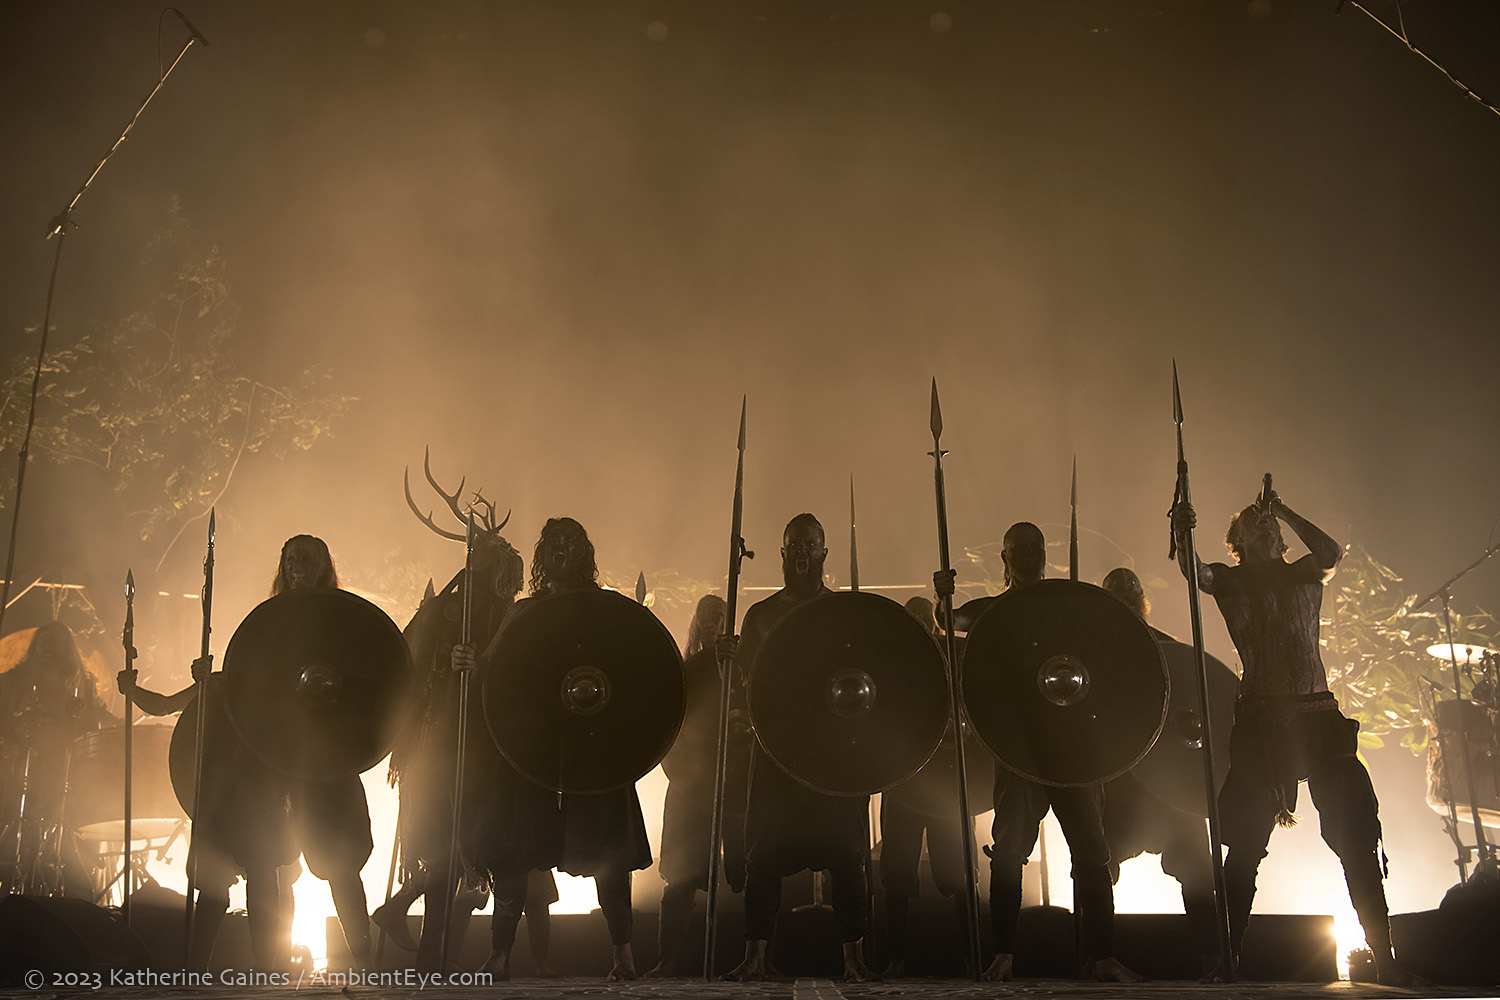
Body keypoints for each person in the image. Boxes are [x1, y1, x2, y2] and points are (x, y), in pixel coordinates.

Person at [1172, 487, 1422, 986]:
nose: (1265, 528)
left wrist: (1282, 507)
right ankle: (1230, 956)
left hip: (1317, 717)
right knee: (1243, 847)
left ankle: (1385, 955)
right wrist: (1183, 531)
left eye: (1271, 526)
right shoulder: (1230, 582)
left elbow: (1331, 553)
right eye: (1253, 525)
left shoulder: (1305, 573)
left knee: (1355, 837)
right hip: (1262, 721)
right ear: (1237, 540)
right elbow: (1195, 572)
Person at [123, 535, 374, 970]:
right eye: (290, 560)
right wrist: (175, 682)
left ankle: (366, 961)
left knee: (338, 860)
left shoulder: (340, 624)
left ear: (323, 566)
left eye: (307, 560)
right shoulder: (266, 629)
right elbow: (183, 699)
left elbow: (366, 682)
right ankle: (250, 967)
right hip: (263, 761)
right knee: (254, 861)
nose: (297, 567)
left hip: (320, 758)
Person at [938, 521, 1141, 983]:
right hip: (1020, 752)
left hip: (1071, 750)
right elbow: (953, 622)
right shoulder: (996, 610)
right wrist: (943, 599)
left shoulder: (1065, 604)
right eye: (1019, 551)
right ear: (1005, 560)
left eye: (1035, 549)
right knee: (1009, 853)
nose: (1028, 557)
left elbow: (1110, 629)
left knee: (1092, 851)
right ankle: (1004, 954)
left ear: (1043, 554)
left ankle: (1103, 954)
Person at [452, 517, 649, 981]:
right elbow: (493, 671)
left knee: (609, 856)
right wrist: (469, 663)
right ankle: (499, 954)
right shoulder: (523, 613)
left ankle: (624, 956)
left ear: (583, 553)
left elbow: (637, 671)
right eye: (551, 544)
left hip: (592, 749)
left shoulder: (606, 610)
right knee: (514, 853)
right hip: (533, 750)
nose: (559, 550)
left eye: (569, 543)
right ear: (542, 556)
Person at [375, 530, 562, 974]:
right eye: (506, 571)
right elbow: (410, 660)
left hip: (488, 747)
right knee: (453, 849)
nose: (513, 581)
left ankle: (427, 943)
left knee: (470, 853)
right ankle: (429, 957)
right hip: (446, 745)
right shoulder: (449, 610)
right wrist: (450, 663)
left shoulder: (505, 612)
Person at [721, 513, 877, 983]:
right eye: (795, 545)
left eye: (812, 544)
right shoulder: (762, 615)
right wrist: (727, 661)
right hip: (777, 752)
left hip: (833, 753)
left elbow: (867, 674)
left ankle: (854, 959)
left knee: (849, 859)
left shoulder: (843, 612)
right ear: (784, 553)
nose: (804, 552)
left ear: (824, 553)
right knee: (763, 857)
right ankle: (755, 956)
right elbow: (745, 686)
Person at [1099, 567, 1220, 975]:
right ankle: (1096, 955)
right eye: (1116, 597)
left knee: (1199, 873)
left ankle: (1212, 958)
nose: (1125, 603)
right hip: (1121, 780)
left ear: (1140, 600)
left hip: (1170, 781)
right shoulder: (1094, 655)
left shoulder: (1170, 654)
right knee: (1097, 864)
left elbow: (1193, 710)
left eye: (1129, 595)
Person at [646, 593, 751, 977]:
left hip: (735, 780)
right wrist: (680, 770)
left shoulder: (742, 666)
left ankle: (756, 956)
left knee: (749, 869)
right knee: (682, 876)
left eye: (719, 613)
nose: (712, 618)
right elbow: (670, 722)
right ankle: (668, 958)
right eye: (706, 613)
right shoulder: (686, 670)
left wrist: (735, 667)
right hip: (692, 782)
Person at [877, 595, 981, 978]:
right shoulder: (892, 661)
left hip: (946, 780)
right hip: (904, 781)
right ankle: (897, 957)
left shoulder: (953, 657)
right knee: (897, 874)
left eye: (925, 617)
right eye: (913, 618)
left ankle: (973, 956)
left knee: (959, 873)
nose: (920, 624)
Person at [1, 622, 115, 898]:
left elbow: (94, 722)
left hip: (62, 774)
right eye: (44, 641)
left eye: (55, 643)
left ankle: (59, 890)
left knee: (58, 831)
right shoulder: (14, 680)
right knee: (18, 828)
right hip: (18, 772)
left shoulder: (82, 684)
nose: (48, 648)